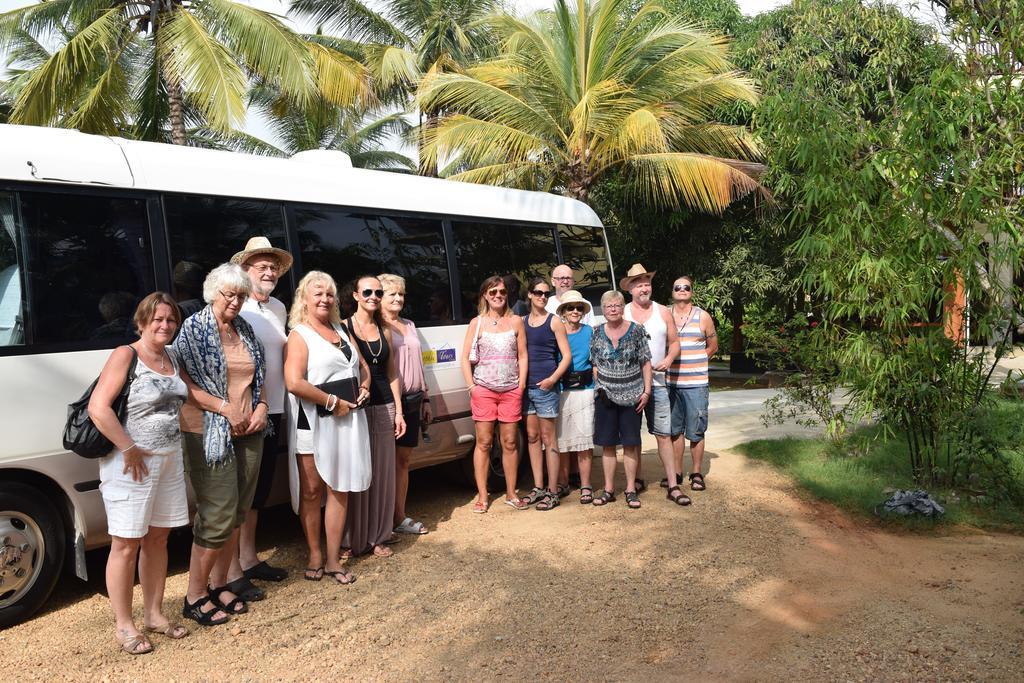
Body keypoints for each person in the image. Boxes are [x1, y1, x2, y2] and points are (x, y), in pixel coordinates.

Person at [88, 293, 197, 654]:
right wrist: (129, 448)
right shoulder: (126, 355)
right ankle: (124, 625)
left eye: (171, 320)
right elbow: (98, 409)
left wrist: (229, 408)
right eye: (158, 319)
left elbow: (190, 395)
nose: (165, 325)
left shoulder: (172, 356)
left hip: (168, 460)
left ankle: (154, 614)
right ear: (142, 322)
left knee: (158, 539)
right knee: (125, 543)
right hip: (131, 464)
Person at [174, 263, 269, 625]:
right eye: (229, 294)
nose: (235, 301)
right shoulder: (193, 330)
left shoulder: (243, 329)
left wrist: (260, 406)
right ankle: (194, 595)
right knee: (216, 514)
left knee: (236, 514)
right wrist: (224, 408)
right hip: (207, 430)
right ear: (213, 292)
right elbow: (185, 382)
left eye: (241, 295)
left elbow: (261, 374)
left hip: (250, 429)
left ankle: (218, 585)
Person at [285, 271, 371, 585]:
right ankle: (315, 554)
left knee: (340, 488)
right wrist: (332, 402)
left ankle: (334, 558)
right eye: (317, 293)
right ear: (304, 299)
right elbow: (294, 382)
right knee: (311, 492)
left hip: (347, 422)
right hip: (314, 422)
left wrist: (365, 386)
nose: (324, 299)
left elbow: (361, 366)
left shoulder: (341, 330)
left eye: (329, 294)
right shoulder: (299, 334)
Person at [228, 237, 293, 594]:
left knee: (260, 489)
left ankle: (250, 556)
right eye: (260, 267)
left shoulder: (279, 307)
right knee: (242, 488)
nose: (268, 272)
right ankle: (233, 566)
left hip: (277, 407)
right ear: (246, 271)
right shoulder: (240, 307)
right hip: (250, 411)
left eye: (273, 267)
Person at [343, 275, 407, 557]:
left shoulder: (386, 329)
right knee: (356, 471)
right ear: (356, 295)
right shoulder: (344, 328)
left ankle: (379, 535)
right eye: (367, 291)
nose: (373, 296)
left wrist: (399, 411)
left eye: (378, 292)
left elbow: (392, 373)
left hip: (383, 407)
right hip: (354, 408)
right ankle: (350, 539)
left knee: (381, 474)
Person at [460, 275, 529, 512]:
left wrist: (520, 386)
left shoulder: (516, 321)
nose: (498, 295)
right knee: (484, 442)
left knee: (509, 442)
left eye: (501, 292)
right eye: (492, 292)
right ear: (484, 296)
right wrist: (472, 387)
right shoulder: (476, 323)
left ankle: (511, 493)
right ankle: (482, 496)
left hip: (510, 390)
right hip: (484, 390)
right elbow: (464, 358)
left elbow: (522, 355)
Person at [621, 263, 687, 506]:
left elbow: (675, 342)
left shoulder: (662, 311)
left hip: (658, 383)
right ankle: (635, 481)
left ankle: (673, 485)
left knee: (663, 434)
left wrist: (669, 359)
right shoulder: (623, 312)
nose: (644, 288)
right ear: (629, 288)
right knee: (631, 436)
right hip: (628, 385)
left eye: (647, 283)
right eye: (638, 284)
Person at [379, 273, 432, 535]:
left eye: (401, 294)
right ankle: (381, 519)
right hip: (388, 403)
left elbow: (420, 364)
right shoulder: (377, 327)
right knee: (384, 462)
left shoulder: (409, 325)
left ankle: (399, 516)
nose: (398, 298)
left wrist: (426, 398)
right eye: (392, 294)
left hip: (412, 400)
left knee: (403, 460)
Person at [590, 290, 651, 509]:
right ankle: (608, 489)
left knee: (630, 444)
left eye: (617, 305)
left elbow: (645, 362)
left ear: (623, 307)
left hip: (633, 395)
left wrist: (646, 392)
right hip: (606, 396)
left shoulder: (637, 331)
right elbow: (594, 363)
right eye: (608, 306)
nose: (613, 309)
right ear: (603, 310)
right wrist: (600, 387)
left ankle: (631, 489)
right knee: (607, 445)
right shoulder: (596, 333)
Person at [520, 277, 572, 511]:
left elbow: (566, 356)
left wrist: (552, 380)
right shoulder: (521, 322)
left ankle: (553, 491)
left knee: (549, 439)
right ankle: (538, 487)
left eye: (545, 293)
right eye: (538, 293)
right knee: (532, 438)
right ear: (529, 295)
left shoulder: (554, 322)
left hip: (545, 388)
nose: (542, 296)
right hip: (526, 388)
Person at [666, 275, 718, 493]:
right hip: (670, 382)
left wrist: (697, 360)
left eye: (686, 287)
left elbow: (713, 345)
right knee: (674, 431)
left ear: (692, 292)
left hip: (696, 383)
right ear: (672, 292)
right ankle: (676, 472)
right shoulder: (665, 314)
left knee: (696, 430)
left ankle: (696, 473)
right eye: (677, 287)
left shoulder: (702, 316)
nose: (682, 290)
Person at [554, 291, 597, 504]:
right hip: (561, 389)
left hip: (585, 389)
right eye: (570, 307)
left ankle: (586, 484)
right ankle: (562, 483)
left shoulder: (590, 331)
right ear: (562, 311)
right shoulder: (555, 331)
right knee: (562, 441)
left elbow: (596, 360)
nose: (575, 312)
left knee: (584, 441)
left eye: (579, 308)